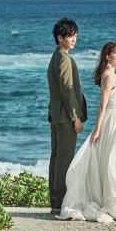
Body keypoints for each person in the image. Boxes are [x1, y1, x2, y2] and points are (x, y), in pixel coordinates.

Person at [57, 41, 116, 222]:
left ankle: (110, 198)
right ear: (107, 56)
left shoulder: (115, 76)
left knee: (114, 161)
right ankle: (110, 200)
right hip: (111, 123)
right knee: (110, 162)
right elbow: (103, 106)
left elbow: (115, 99)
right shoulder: (108, 77)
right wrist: (97, 129)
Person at [47, 17, 87, 215]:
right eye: (70, 36)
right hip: (64, 117)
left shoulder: (56, 56)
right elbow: (67, 90)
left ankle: (55, 201)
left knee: (56, 158)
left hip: (56, 115)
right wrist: (76, 117)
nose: (73, 39)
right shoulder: (64, 59)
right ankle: (60, 202)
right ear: (59, 37)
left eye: (75, 36)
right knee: (63, 160)